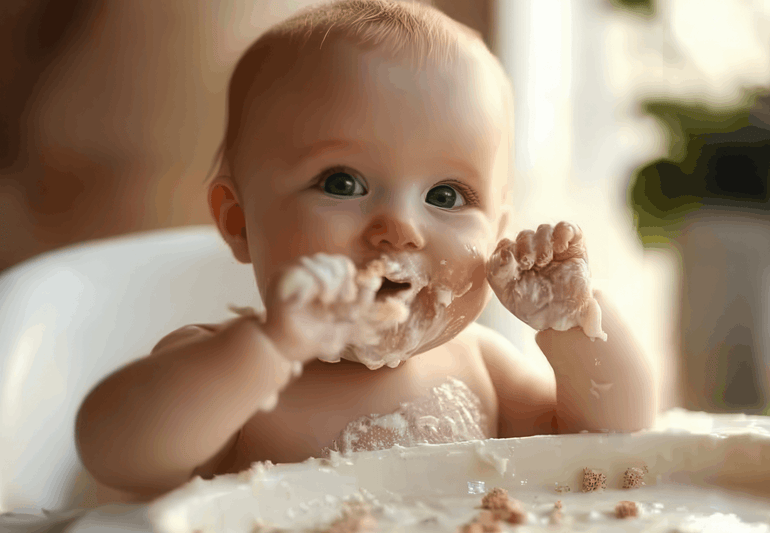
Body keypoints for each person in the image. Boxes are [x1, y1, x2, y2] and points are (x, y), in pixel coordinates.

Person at [75, 0, 656, 500]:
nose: (399, 227)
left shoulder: (485, 369)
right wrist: (269, 347)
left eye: (447, 195)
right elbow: (117, 454)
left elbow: (612, 447)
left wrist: (575, 324)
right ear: (239, 221)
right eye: (342, 183)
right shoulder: (228, 369)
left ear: (498, 230)